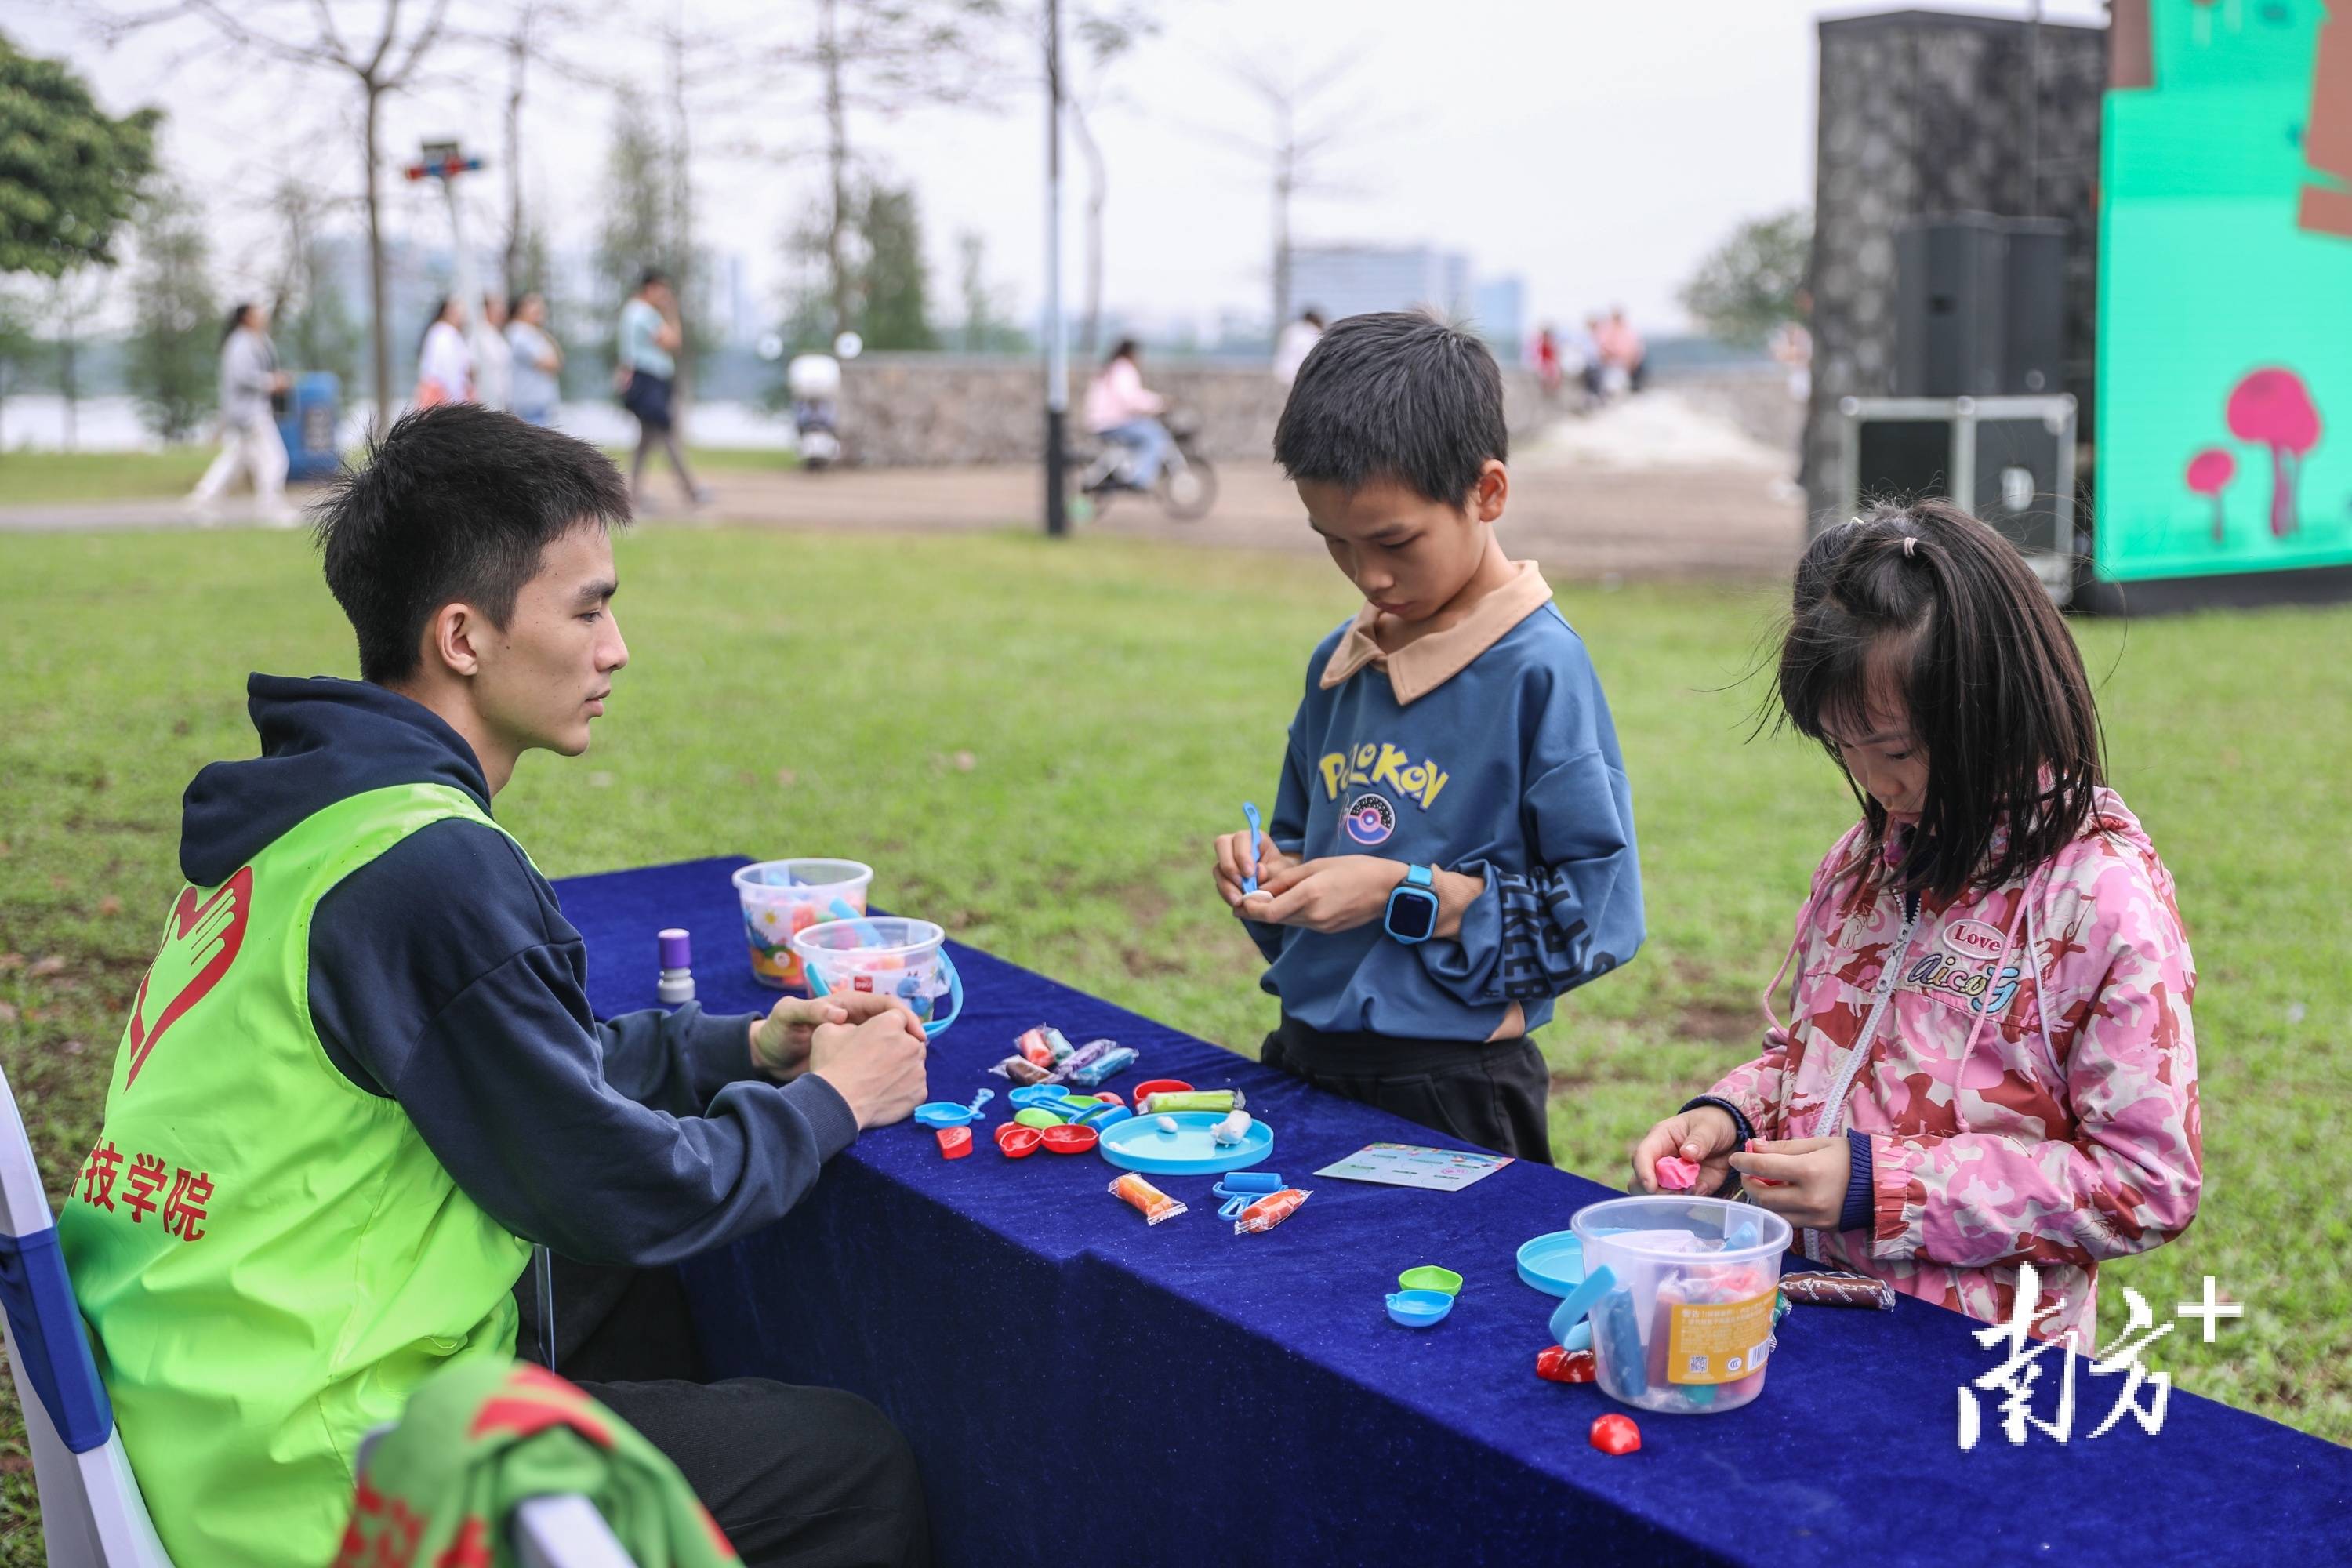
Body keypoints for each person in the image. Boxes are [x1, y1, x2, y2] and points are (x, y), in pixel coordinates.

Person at [60, 405, 933, 1568]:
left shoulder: (313, 824)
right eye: (589, 607)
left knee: (617, 1299)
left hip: (201, 1397)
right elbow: (629, 1189)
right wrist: (836, 1100)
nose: (616, 646)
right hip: (323, 1470)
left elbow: (497, 1068)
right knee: (848, 1466)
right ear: (464, 637)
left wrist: (746, 1049)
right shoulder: (431, 867)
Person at [1630, 502, 2201, 1341]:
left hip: (1979, 1363)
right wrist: (1734, 1116)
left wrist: (1881, 1183)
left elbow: (2146, 1183)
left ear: (1995, 706)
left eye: (1895, 751)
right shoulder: (1866, 861)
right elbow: (1817, 1051)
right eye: (1843, 748)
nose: (1877, 787)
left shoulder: (2100, 905)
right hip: (1813, 1318)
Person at [1210, 313, 1646, 1162]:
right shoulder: (1341, 662)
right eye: (1332, 540)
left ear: (1487, 492)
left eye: (1393, 541)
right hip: (1302, 1060)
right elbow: (1309, 853)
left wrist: (1399, 893)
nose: (1367, 575)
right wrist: (1273, 877)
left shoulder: (1539, 672)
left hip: (1453, 1089)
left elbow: (1594, 923)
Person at [185, 302, 296, 525]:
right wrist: (271, 382)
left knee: (234, 459)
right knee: (275, 459)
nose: (263, 316)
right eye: (258, 313)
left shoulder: (258, 340)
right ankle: (270, 507)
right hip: (249, 412)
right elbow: (242, 376)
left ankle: (202, 499)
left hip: (254, 410)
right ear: (246, 318)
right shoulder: (240, 343)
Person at [617, 267, 710, 508]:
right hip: (650, 381)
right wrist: (671, 312)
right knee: (667, 433)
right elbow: (672, 342)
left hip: (646, 381)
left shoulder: (632, 312)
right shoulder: (644, 313)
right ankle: (691, 489)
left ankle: (632, 493)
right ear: (651, 288)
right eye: (662, 289)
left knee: (647, 439)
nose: (665, 294)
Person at [1082, 338, 1172, 488]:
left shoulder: (1111, 368)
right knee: (1155, 435)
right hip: (1112, 423)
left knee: (1143, 433)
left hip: (1103, 422)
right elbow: (1131, 399)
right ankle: (1141, 478)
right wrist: (1159, 403)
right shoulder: (1123, 369)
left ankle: (1127, 470)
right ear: (1131, 353)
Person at [506, 291, 564, 427]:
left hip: (538, 403)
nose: (541, 311)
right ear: (521, 308)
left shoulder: (533, 333)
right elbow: (551, 363)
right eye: (535, 307)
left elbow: (559, 359)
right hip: (529, 403)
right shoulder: (518, 334)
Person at [415, 295, 472, 408]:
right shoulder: (445, 334)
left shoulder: (440, 332)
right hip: (445, 395)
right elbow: (450, 370)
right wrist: (458, 399)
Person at [473, 291, 514, 414]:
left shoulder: (495, 334)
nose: (501, 310)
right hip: (486, 401)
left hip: (501, 400)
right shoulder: (479, 335)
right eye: (496, 306)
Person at [1596, 307, 1646, 394]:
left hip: (1628, 365)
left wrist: (1631, 361)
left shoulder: (1629, 330)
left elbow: (1636, 349)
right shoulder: (1605, 330)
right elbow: (1602, 348)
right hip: (1610, 365)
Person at [1273, 307, 1327, 386]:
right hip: (1297, 374)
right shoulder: (1312, 333)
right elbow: (1305, 355)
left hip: (1281, 372)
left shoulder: (1291, 329)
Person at [1532, 325, 1563, 401]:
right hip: (1546, 364)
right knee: (1547, 378)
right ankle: (1548, 392)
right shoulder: (1543, 343)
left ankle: (1551, 391)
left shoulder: (1550, 343)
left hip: (1550, 364)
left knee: (1553, 378)